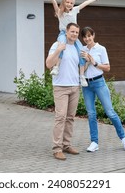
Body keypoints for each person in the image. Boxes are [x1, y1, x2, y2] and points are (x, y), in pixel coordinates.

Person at [80, 26, 125, 152]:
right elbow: (81, 70)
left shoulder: (101, 49)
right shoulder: (82, 50)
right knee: (91, 114)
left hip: (99, 82)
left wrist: (94, 62)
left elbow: (107, 68)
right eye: (85, 36)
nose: (87, 38)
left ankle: (124, 138)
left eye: (89, 35)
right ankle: (94, 142)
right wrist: (87, 62)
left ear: (93, 35)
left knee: (110, 112)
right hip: (86, 85)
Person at [42, 0, 98, 87]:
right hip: (63, 33)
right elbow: (54, 2)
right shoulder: (60, 12)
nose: (69, 4)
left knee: (81, 51)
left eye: (71, 3)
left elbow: (84, 3)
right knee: (61, 46)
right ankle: (57, 67)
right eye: (67, 2)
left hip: (74, 35)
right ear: (64, 2)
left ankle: (81, 76)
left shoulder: (75, 10)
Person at [46, 22, 82, 160]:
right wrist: (58, 50)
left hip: (74, 87)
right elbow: (48, 64)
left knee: (70, 118)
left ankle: (66, 145)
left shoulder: (77, 48)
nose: (74, 34)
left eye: (76, 32)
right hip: (60, 87)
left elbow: (80, 65)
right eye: (72, 31)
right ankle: (57, 149)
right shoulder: (57, 45)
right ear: (66, 32)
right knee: (60, 117)